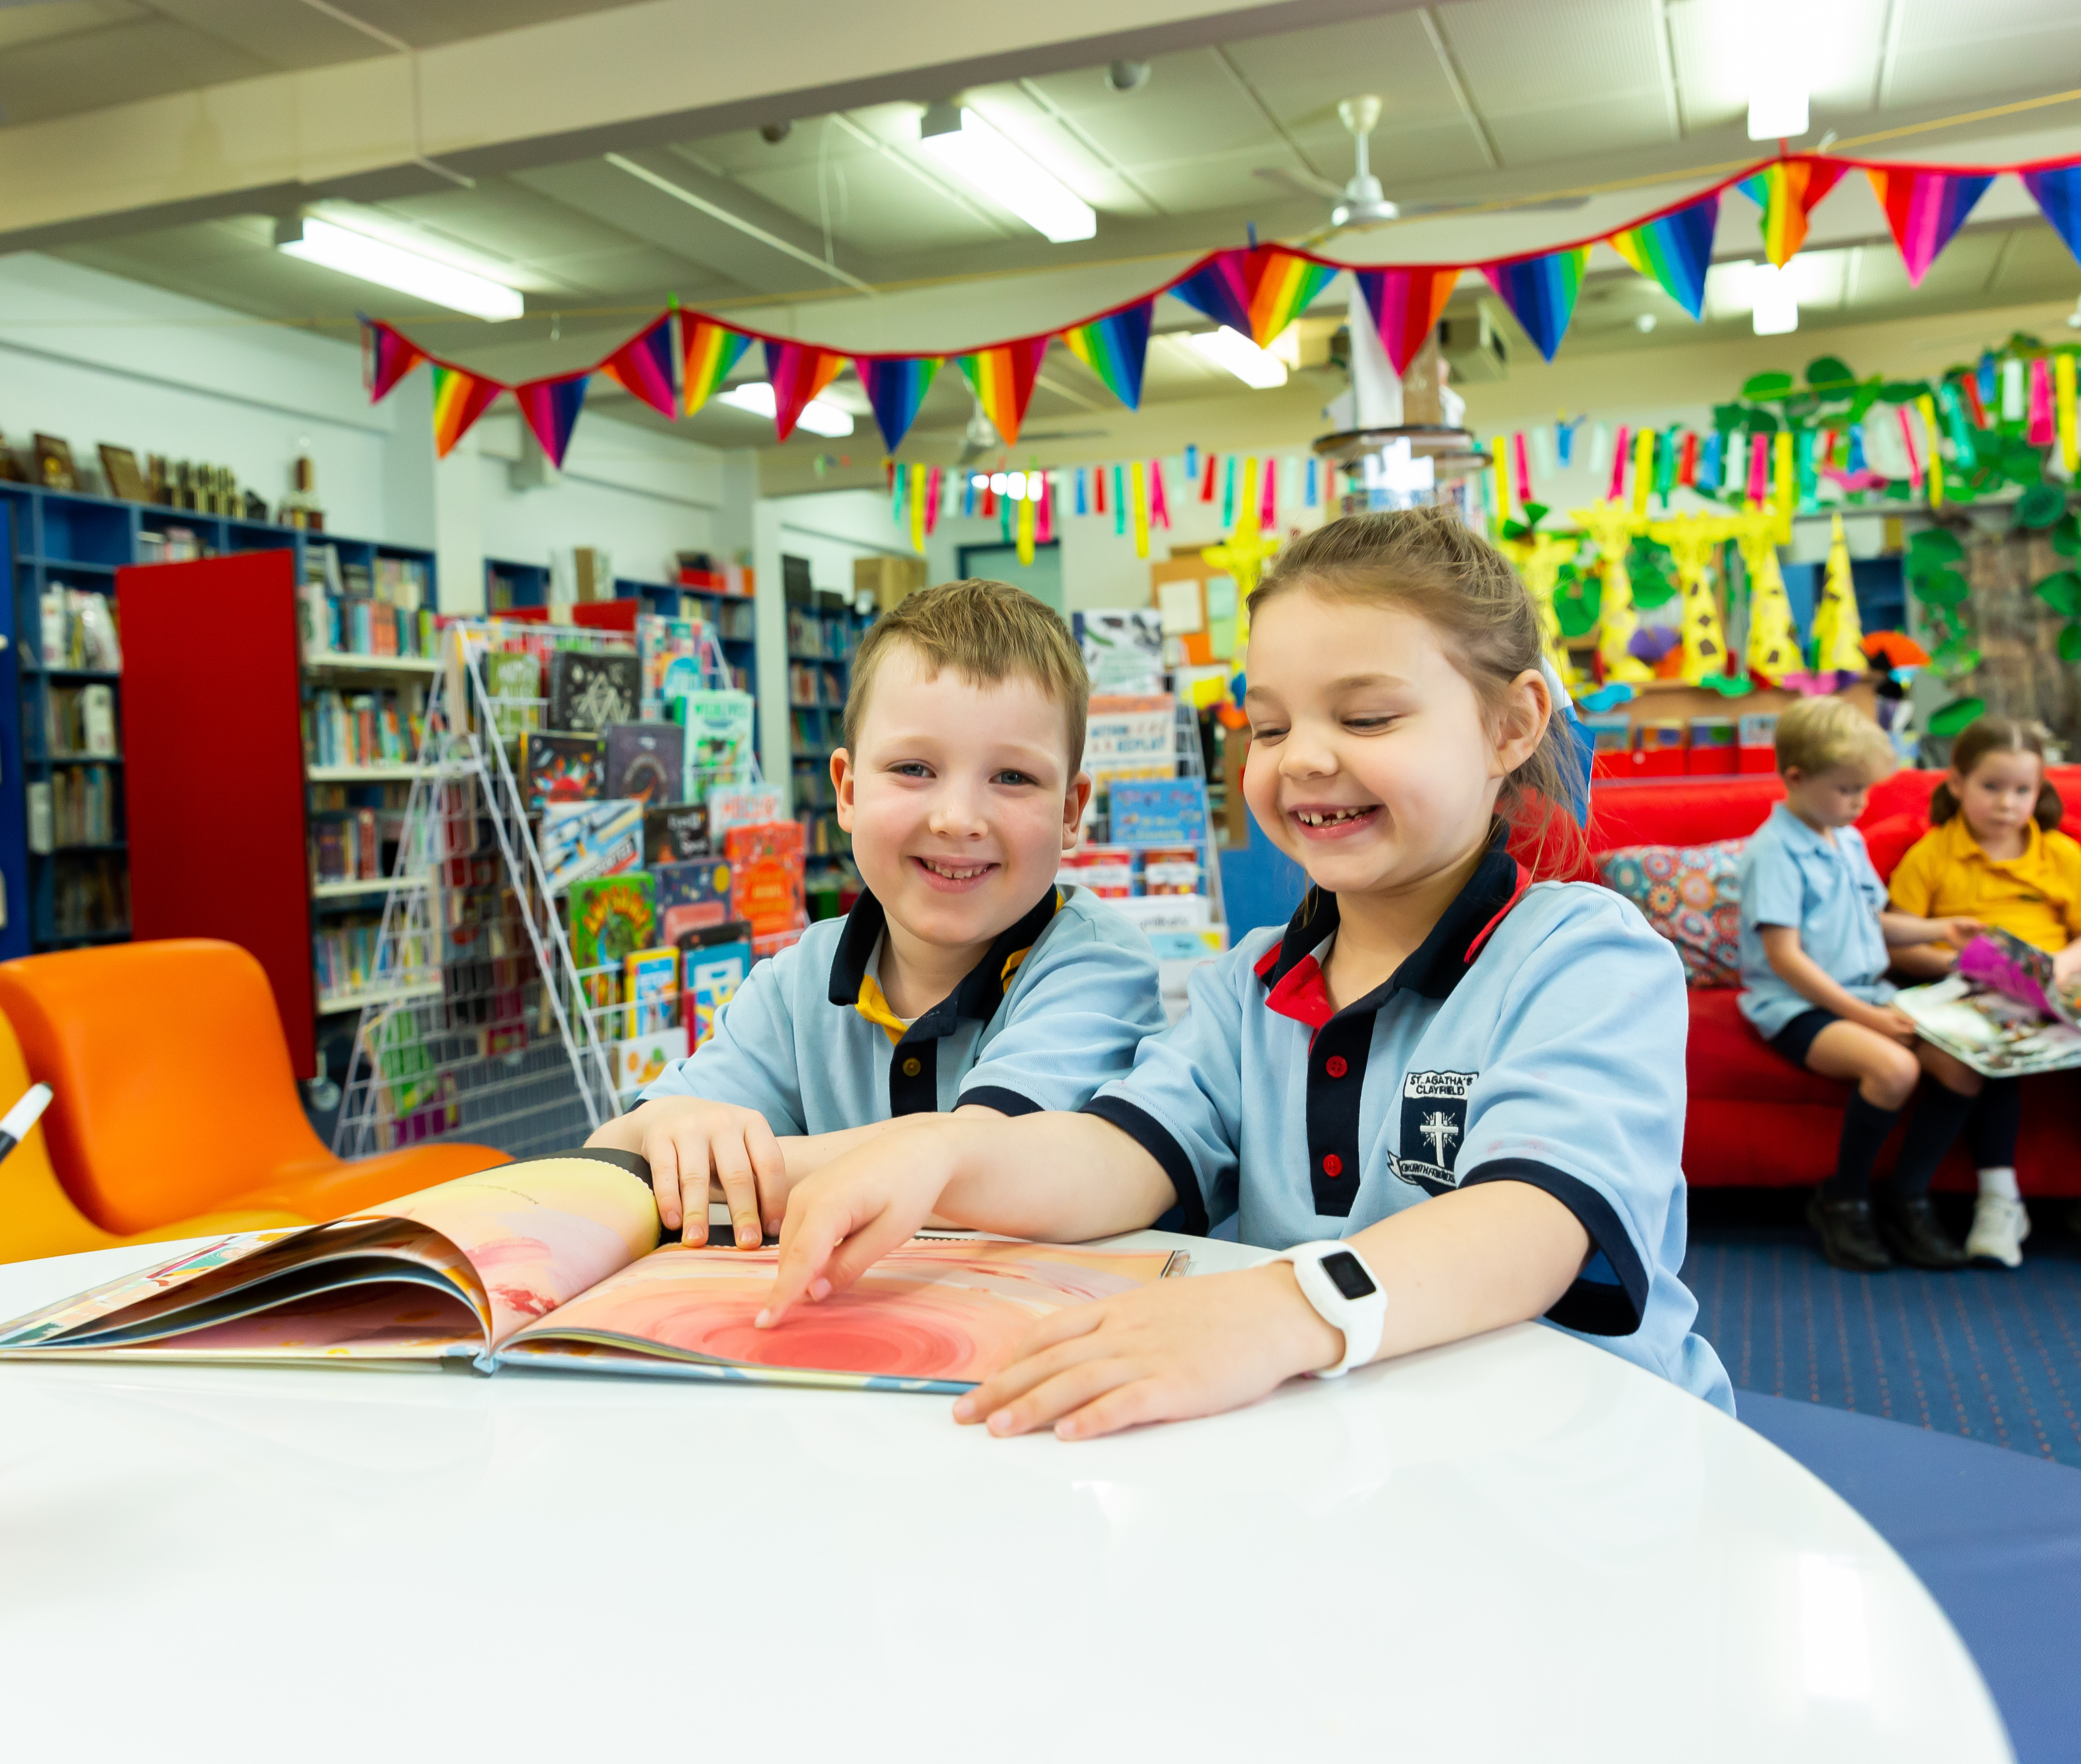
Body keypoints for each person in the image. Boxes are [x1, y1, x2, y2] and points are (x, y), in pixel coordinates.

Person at [752, 508, 1731, 1437]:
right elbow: (1117, 1160)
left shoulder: (1582, 958)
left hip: (1583, 1471)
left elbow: (1530, 1225)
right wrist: (941, 1155)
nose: (1303, 759)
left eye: (1369, 717)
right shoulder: (1247, 989)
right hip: (1357, 1456)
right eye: (1269, 728)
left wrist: (1282, 1307)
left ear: (1511, 727)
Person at [589, 579, 1161, 1247]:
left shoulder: (1096, 963)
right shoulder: (795, 983)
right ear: (848, 791)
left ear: (1070, 811)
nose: (957, 820)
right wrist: (662, 1130)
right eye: (915, 768)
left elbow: (982, 1159)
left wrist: (724, 1170)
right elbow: (616, 1154)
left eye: (1013, 778)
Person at [1886, 718, 2081, 1275]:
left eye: (2023, 791)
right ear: (1957, 785)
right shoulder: (1933, 855)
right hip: (1973, 989)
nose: (2007, 805)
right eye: (1992, 788)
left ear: (2041, 792)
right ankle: (1999, 1201)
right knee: (1991, 1047)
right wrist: (1956, 964)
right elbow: (1899, 942)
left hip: (2059, 983)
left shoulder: (2060, 854)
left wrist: (2060, 970)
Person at [1736, 698, 1988, 1274]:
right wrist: (1870, 1019)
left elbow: (1875, 919)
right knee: (1895, 1068)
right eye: (1848, 790)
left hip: (1866, 995)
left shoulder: (1844, 837)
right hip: (1796, 1004)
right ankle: (1844, 1199)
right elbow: (1787, 958)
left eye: (1866, 790)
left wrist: (1940, 929)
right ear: (1796, 778)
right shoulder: (1773, 851)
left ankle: (1909, 1196)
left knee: (1963, 1066)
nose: (1861, 803)